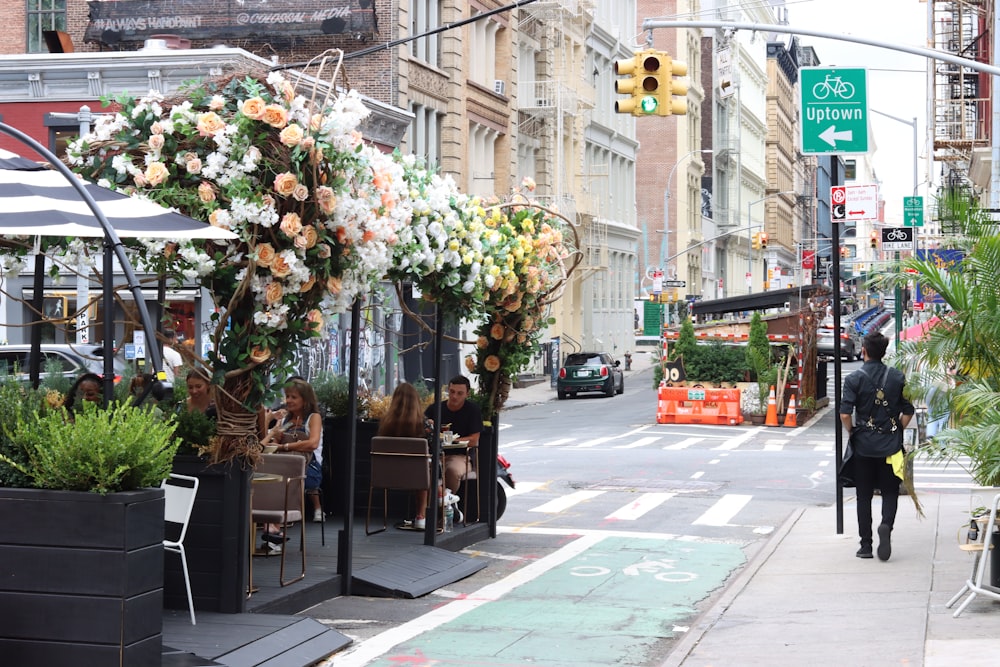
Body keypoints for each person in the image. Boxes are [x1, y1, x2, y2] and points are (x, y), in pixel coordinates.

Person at [840, 332, 915, 561]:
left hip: (863, 446)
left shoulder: (854, 378)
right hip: (890, 447)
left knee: (863, 496)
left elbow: (845, 414)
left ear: (864, 350)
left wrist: (853, 431)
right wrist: (897, 430)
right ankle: (886, 526)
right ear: (884, 351)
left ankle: (866, 546)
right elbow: (908, 411)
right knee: (890, 492)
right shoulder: (896, 377)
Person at [260, 378, 325, 546]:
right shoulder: (285, 420)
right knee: (268, 478)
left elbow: (313, 443)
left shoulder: (313, 418)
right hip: (286, 468)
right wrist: (269, 423)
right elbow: (267, 442)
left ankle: (273, 526)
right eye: (287, 396)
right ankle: (271, 528)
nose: (288, 400)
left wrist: (284, 446)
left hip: (309, 470)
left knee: (282, 481)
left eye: (293, 397)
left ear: (305, 399)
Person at [378, 382, 435, 529]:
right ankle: (422, 515)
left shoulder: (385, 423)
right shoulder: (424, 425)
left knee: (421, 466)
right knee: (426, 465)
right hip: (418, 476)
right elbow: (436, 448)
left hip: (387, 475)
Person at [425, 375, 483, 504]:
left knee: (452, 470)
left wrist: (453, 441)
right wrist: (428, 428)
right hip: (435, 454)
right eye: (452, 392)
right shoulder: (435, 409)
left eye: (459, 393)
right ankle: (428, 508)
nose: (454, 396)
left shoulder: (472, 410)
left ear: (467, 394)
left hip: (461, 455)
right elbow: (422, 430)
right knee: (421, 469)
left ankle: (447, 506)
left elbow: (474, 440)